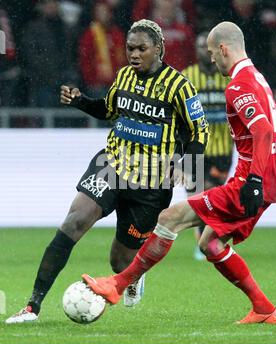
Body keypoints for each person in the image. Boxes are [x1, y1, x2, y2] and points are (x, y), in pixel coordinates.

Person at [5, 19, 209, 323]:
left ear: (159, 49)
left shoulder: (180, 86)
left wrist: (186, 167)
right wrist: (81, 102)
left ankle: (134, 276)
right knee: (75, 221)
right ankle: (32, 306)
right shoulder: (124, 76)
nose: (134, 54)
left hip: (151, 185)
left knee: (119, 261)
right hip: (112, 165)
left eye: (142, 48)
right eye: (130, 48)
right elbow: (109, 110)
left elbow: (199, 132)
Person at [82, 21, 276, 325]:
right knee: (209, 244)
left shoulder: (239, 85)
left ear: (223, 49)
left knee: (169, 218)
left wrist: (254, 181)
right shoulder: (256, 77)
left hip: (251, 180)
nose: (211, 60)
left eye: (211, 54)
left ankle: (118, 284)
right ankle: (263, 308)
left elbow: (263, 131)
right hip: (266, 178)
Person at [182, 31, 233, 260]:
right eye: (200, 46)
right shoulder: (187, 77)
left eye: (207, 46)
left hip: (222, 150)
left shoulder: (229, 77)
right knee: (197, 196)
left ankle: (208, 240)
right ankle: (203, 243)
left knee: (212, 197)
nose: (204, 50)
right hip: (195, 150)